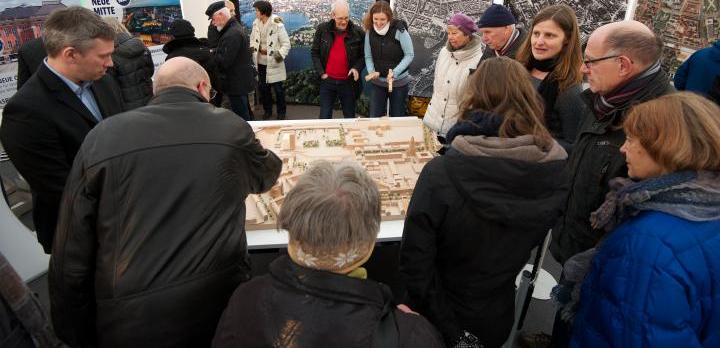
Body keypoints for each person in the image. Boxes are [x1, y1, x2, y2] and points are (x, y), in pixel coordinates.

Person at [49, 57, 282, 347]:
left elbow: (71, 246)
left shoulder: (103, 135)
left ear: (155, 89)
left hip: (127, 311)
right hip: (213, 298)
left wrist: (76, 331)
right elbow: (266, 175)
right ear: (201, 86)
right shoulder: (228, 127)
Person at [522, 21, 674, 348]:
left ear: (623, 64)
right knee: (570, 309)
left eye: (590, 61)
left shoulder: (658, 122)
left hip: (608, 260)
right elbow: (589, 152)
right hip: (577, 242)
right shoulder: (607, 98)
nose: (582, 69)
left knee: (593, 321)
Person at [401, 57, 569, 348]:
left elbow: (415, 262)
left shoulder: (443, 172)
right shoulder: (553, 169)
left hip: (434, 317)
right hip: (495, 313)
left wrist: (450, 330)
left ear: (473, 97)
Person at [213, 160, 444, 348]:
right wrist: (411, 328)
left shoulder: (244, 300)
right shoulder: (409, 336)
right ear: (369, 237)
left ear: (292, 226)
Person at [565, 92, 720, 348]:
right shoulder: (706, 208)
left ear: (665, 147)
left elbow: (635, 333)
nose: (623, 149)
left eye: (629, 139)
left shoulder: (648, 243)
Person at [0, 6, 124, 253]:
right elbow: (63, 191)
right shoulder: (25, 112)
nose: (110, 63)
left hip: (122, 221)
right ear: (70, 55)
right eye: (103, 56)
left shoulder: (104, 82)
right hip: (79, 238)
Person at [515, 4, 584, 151]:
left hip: (540, 167)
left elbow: (574, 146)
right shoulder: (518, 71)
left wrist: (532, 141)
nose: (539, 41)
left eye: (549, 35)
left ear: (567, 40)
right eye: (536, 33)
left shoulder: (569, 89)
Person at [423, 13, 484, 138]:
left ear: (467, 34)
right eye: (448, 33)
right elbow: (436, 86)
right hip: (430, 124)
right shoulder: (444, 53)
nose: (450, 37)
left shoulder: (478, 61)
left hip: (455, 131)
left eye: (454, 33)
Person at [311, 0, 365, 119]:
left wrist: (356, 68)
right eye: (340, 18)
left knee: (350, 117)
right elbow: (314, 52)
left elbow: (364, 56)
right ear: (333, 15)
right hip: (327, 81)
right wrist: (322, 73)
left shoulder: (358, 32)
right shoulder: (322, 29)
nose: (344, 21)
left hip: (348, 82)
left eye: (346, 17)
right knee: (324, 117)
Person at [363, 0, 414, 117]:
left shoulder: (399, 31)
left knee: (397, 117)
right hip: (378, 83)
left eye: (382, 19)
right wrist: (371, 72)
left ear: (389, 18)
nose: (378, 23)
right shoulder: (369, 32)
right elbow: (368, 55)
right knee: (374, 117)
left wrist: (395, 72)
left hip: (399, 83)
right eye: (375, 19)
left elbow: (409, 54)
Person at [207, 0, 256, 120]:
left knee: (241, 117)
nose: (213, 23)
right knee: (244, 112)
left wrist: (212, 54)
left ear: (222, 15)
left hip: (235, 82)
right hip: (239, 80)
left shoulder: (231, 34)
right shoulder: (233, 29)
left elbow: (223, 61)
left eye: (213, 18)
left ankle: (246, 137)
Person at [249, 0, 290, 120]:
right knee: (264, 88)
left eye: (257, 10)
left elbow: (286, 43)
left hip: (274, 62)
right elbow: (252, 40)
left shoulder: (277, 23)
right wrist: (253, 52)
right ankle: (268, 111)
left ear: (263, 12)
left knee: (278, 90)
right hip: (260, 61)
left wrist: (279, 56)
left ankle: (281, 113)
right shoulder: (256, 23)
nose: (255, 13)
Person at [105, 17, 154, 110]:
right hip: (150, 98)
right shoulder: (141, 45)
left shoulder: (111, 55)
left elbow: (111, 86)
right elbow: (150, 71)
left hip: (128, 106)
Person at [164, 18, 219, 92]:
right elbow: (217, 79)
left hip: (188, 98)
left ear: (173, 36)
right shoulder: (206, 51)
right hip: (210, 95)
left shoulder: (172, 59)